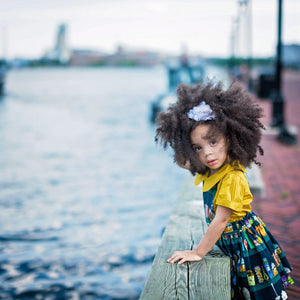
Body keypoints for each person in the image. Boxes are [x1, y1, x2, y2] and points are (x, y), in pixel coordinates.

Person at [155, 81, 293, 300]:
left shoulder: (231, 177)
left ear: (230, 138)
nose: (208, 153)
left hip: (245, 245)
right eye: (198, 147)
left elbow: (220, 221)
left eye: (213, 141)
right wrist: (181, 139)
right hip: (229, 244)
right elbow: (184, 162)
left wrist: (198, 252)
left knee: (258, 295)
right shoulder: (209, 169)